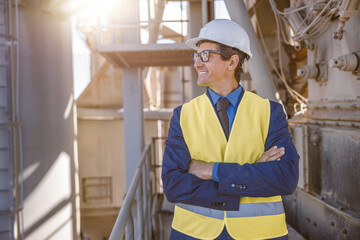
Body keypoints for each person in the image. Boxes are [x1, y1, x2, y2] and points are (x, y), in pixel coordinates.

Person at [161, 19, 299, 240]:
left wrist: (211, 170)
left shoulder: (269, 112)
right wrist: (251, 174)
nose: (197, 63)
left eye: (205, 55)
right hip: (194, 234)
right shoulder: (183, 115)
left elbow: (285, 178)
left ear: (232, 61)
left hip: (260, 235)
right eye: (196, 56)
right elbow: (173, 186)